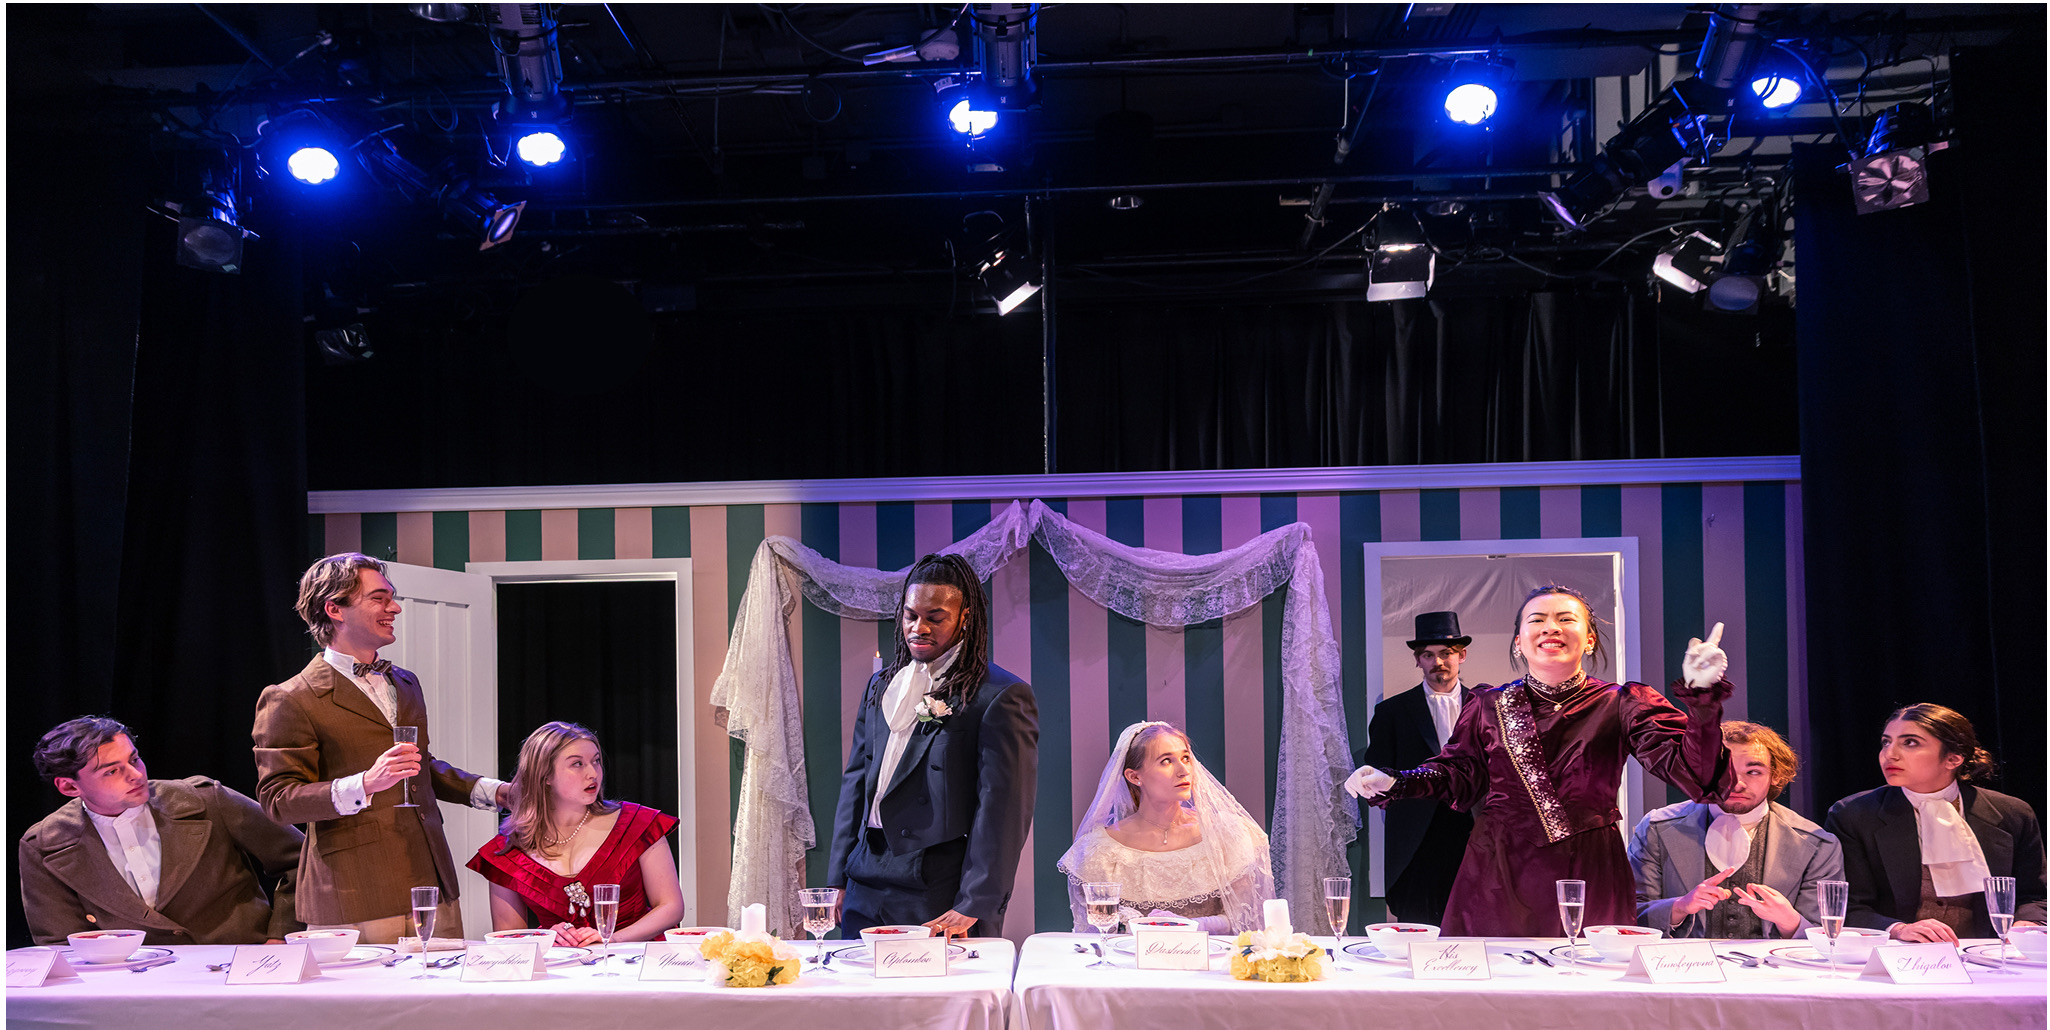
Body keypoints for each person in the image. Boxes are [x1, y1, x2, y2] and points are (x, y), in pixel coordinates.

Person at [1345, 584, 1733, 936]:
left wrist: (1702, 699)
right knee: (1495, 981)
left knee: (1588, 978)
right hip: (1499, 869)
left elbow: (1695, 774)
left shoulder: (1622, 702)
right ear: (1519, 641)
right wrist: (1396, 781)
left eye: (1566, 619)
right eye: (1537, 620)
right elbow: (1457, 773)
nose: (1551, 627)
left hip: (1589, 868)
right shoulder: (1488, 704)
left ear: (1589, 639)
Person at [252, 553, 510, 944]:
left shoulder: (405, 682)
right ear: (335, 609)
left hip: (429, 880)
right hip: (355, 889)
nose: (395, 608)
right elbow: (279, 800)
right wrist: (365, 783)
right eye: (379, 598)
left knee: (441, 983)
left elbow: (420, 766)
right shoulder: (291, 697)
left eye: (392, 597)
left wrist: (496, 792)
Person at [827, 553, 1040, 939]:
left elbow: (1003, 809)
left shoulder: (999, 694)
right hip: (863, 879)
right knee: (855, 979)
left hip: (938, 886)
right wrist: (837, 878)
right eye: (910, 616)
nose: (918, 628)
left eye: (935, 618)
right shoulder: (881, 685)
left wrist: (975, 902)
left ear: (964, 617)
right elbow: (855, 783)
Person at [19, 717, 305, 946]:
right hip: (130, 986)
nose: (136, 775)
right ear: (69, 786)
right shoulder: (44, 843)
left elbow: (301, 859)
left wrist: (281, 935)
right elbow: (63, 943)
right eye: (112, 771)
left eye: (134, 759)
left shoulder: (205, 800)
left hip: (240, 966)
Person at [1823, 703, 2045, 942]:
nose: (1890, 754)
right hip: (1899, 952)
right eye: (1886, 742)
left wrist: (2027, 923)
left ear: (1953, 758)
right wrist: (1897, 929)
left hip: (1988, 951)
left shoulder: (2012, 813)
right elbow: (1848, 906)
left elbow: (2035, 896)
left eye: (1910, 742)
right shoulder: (1854, 815)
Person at [467, 722, 684, 946]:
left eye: (596, 761)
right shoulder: (507, 852)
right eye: (577, 764)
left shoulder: (637, 823)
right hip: (559, 963)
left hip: (636, 956)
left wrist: (612, 938)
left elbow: (671, 907)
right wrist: (546, 938)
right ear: (544, 775)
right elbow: (510, 941)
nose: (593, 773)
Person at [1628, 721, 1843, 939]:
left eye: (1754, 772)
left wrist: (1790, 921)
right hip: (1679, 959)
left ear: (1775, 775)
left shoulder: (1818, 845)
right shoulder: (1656, 829)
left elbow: (1826, 935)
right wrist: (1679, 907)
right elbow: (1629, 915)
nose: (1737, 783)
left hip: (1774, 961)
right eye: (1724, 770)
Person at [1057, 722, 1275, 934]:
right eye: (1166, 761)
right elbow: (1096, 932)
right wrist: (1129, 923)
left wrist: (1192, 926)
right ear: (1134, 776)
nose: (1183, 770)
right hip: (1131, 958)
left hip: (1211, 957)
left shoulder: (1225, 835)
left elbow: (1246, 921)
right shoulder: (1101, 850)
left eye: (1186, 758)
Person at [1361, 611, 1477, 926]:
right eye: (1428, 655)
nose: (1438, 662)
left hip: (1473, 831)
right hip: (1416, 838)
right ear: (1418, 660)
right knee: (1416, 926)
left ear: (1461, 655)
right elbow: (1378, 772)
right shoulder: (1392, 711)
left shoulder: (1485, 707)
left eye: (1446, 653)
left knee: (1470, 923)